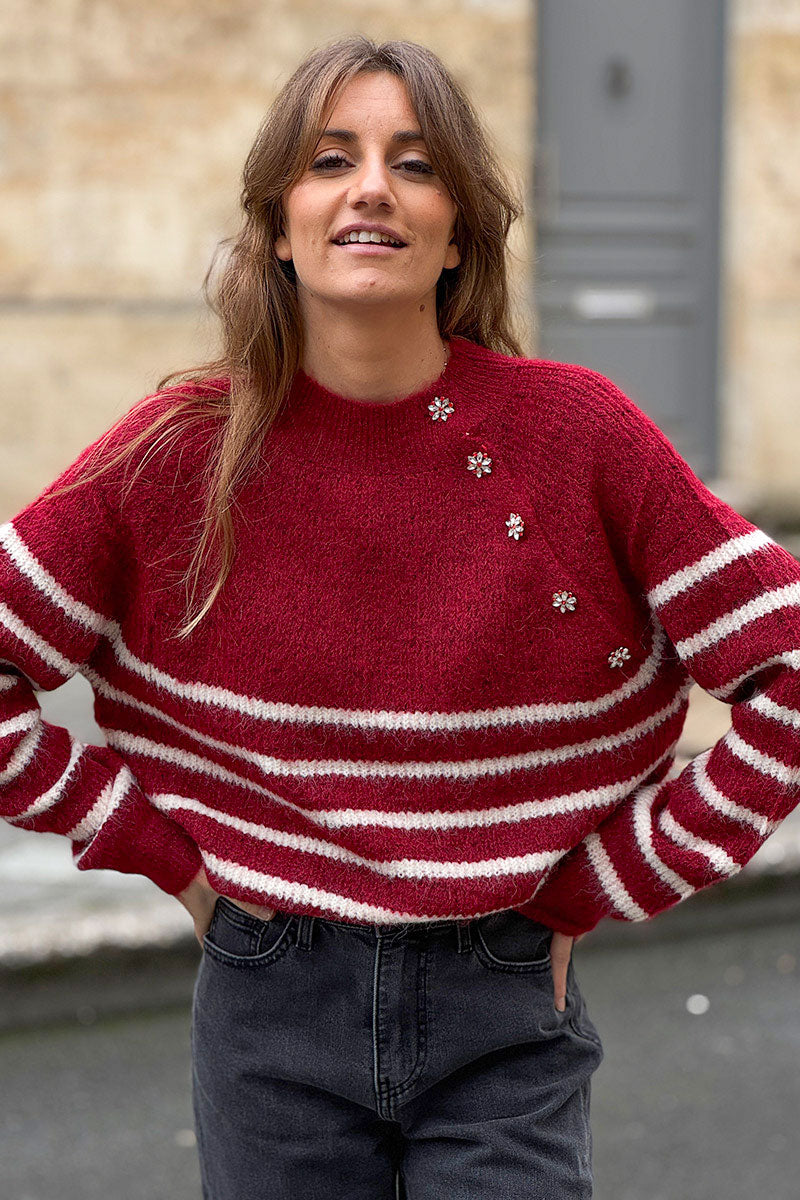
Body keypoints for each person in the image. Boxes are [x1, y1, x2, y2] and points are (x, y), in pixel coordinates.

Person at [2, 32, 799, 1200]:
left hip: (504, 993)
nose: (370, 187)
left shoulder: (575, 437)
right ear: (277, 223)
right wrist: (156, 850)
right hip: (266, 994)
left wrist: (605, 879)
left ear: (457, 232)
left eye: (414, 164)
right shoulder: (174, 453)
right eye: (330, 160)